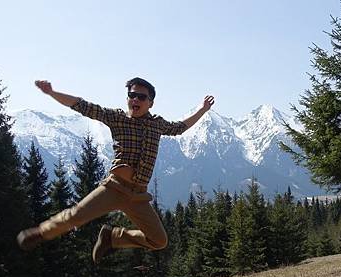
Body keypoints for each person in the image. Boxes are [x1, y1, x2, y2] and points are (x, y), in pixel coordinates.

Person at [17, 77, 215, 264]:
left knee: (159, 241)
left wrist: (202, 110)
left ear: (150, 103)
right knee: (75, 216)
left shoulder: (157, 124)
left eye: (141, 97)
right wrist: (52, 92)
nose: (135, 99)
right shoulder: (117, 118)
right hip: (114, 189)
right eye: (132, 95)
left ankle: (113, 237)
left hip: (138, 196)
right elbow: (82, 106)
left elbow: (180, 127)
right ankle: (41, 232)